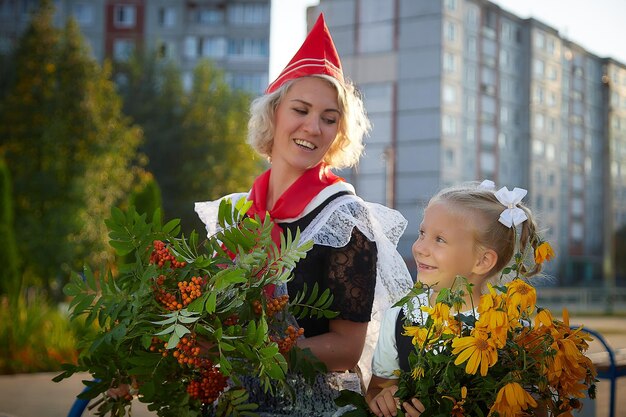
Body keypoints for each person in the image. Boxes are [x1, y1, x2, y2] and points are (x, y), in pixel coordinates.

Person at [194, 13, 414, 417]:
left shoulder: (345, 219)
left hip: (310, 406)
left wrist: (248, 354)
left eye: (329, 119)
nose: (313, 127)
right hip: (230, 403)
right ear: (274, 114)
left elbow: (346, 349)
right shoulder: (234, 210)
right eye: (301, 110)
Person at [366, 180, 544, 417]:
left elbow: (535, 408)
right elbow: (378, 387)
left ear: (482, 262)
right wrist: (383, 398)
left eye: (439, 239)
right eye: (422, 233)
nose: (420, 248)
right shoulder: (400, 315)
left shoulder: (512, 331)